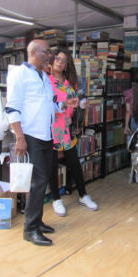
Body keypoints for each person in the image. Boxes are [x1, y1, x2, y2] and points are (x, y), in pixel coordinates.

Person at [5, 40, 78, 246]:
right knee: (38, 181)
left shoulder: (44, 77)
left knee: (43, 180)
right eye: (47, 52)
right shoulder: (19, 74)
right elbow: (12, 107)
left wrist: (65, 104)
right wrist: (19, 136)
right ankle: (30, 229)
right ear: (33, 52)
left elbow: (49, 103)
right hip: (31, 135)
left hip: (47, 135)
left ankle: (37, 221)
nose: (51, 57)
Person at [48, 49, 98, 217]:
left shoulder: (69, 82)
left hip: (66, 128)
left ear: (67, 64)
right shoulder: (46, 80)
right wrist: (66, 103)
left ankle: (83, 195)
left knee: (75, 163)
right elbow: (47, 104)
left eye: (63, 60)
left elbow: (75, 100)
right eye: (57, 58)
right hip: (50, 127)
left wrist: (82, 104)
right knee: (52, 165)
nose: (59, 62)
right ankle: (56, 199)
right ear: (52, 59)